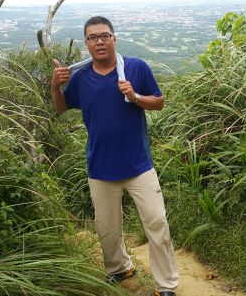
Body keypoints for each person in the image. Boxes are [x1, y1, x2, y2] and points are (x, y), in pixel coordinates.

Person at [50, 16, 179, 296]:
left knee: (157, 223)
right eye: (93, 37)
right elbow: (62, 107)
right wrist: (54, 86)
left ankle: (167, 285)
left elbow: (159, 102)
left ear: (114, 39)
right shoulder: (81, 77)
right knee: (107, 228)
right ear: (86, 43)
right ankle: (120, 269)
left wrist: (135, 97)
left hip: (139, 165)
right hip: (100, 165)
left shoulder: (134, 68)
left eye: (105, 36)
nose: (99, 41)